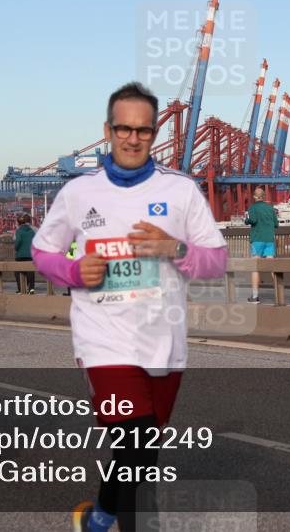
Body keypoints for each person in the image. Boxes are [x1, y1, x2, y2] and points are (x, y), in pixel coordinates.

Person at [31, 82, 227, 532]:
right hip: (103, 341)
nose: (133, 138)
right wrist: (74, 271)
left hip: (164, 343)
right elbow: (43, 252)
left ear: (154, 133)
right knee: (135, 437)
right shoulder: (78, 192)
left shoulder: (180, 190)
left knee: (140, 451)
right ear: (108, 130)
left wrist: (174, 247)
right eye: (124, 129)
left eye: (143, 130)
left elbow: (216, 261)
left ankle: (99, 516)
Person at [245, 187, 276, 303]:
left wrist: (246, 220)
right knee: (272, 267)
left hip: (257, 239)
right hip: (269, 239)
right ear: (264, 196)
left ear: (254, 196)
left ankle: (255, 296)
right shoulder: (270, 208)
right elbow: (276, 224)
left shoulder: (252, 208)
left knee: (255, 267)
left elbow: (252, 220)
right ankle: (279, 293)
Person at [13, 213, 36, 294]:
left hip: (20, 255)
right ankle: (31, 288)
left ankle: (21, 289)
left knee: (18, 271)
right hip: (30, 254)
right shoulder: (32, 231)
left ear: (19, 223)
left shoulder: (19, 231)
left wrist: (16, 248)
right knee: (30, 271)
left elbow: (17, 241)